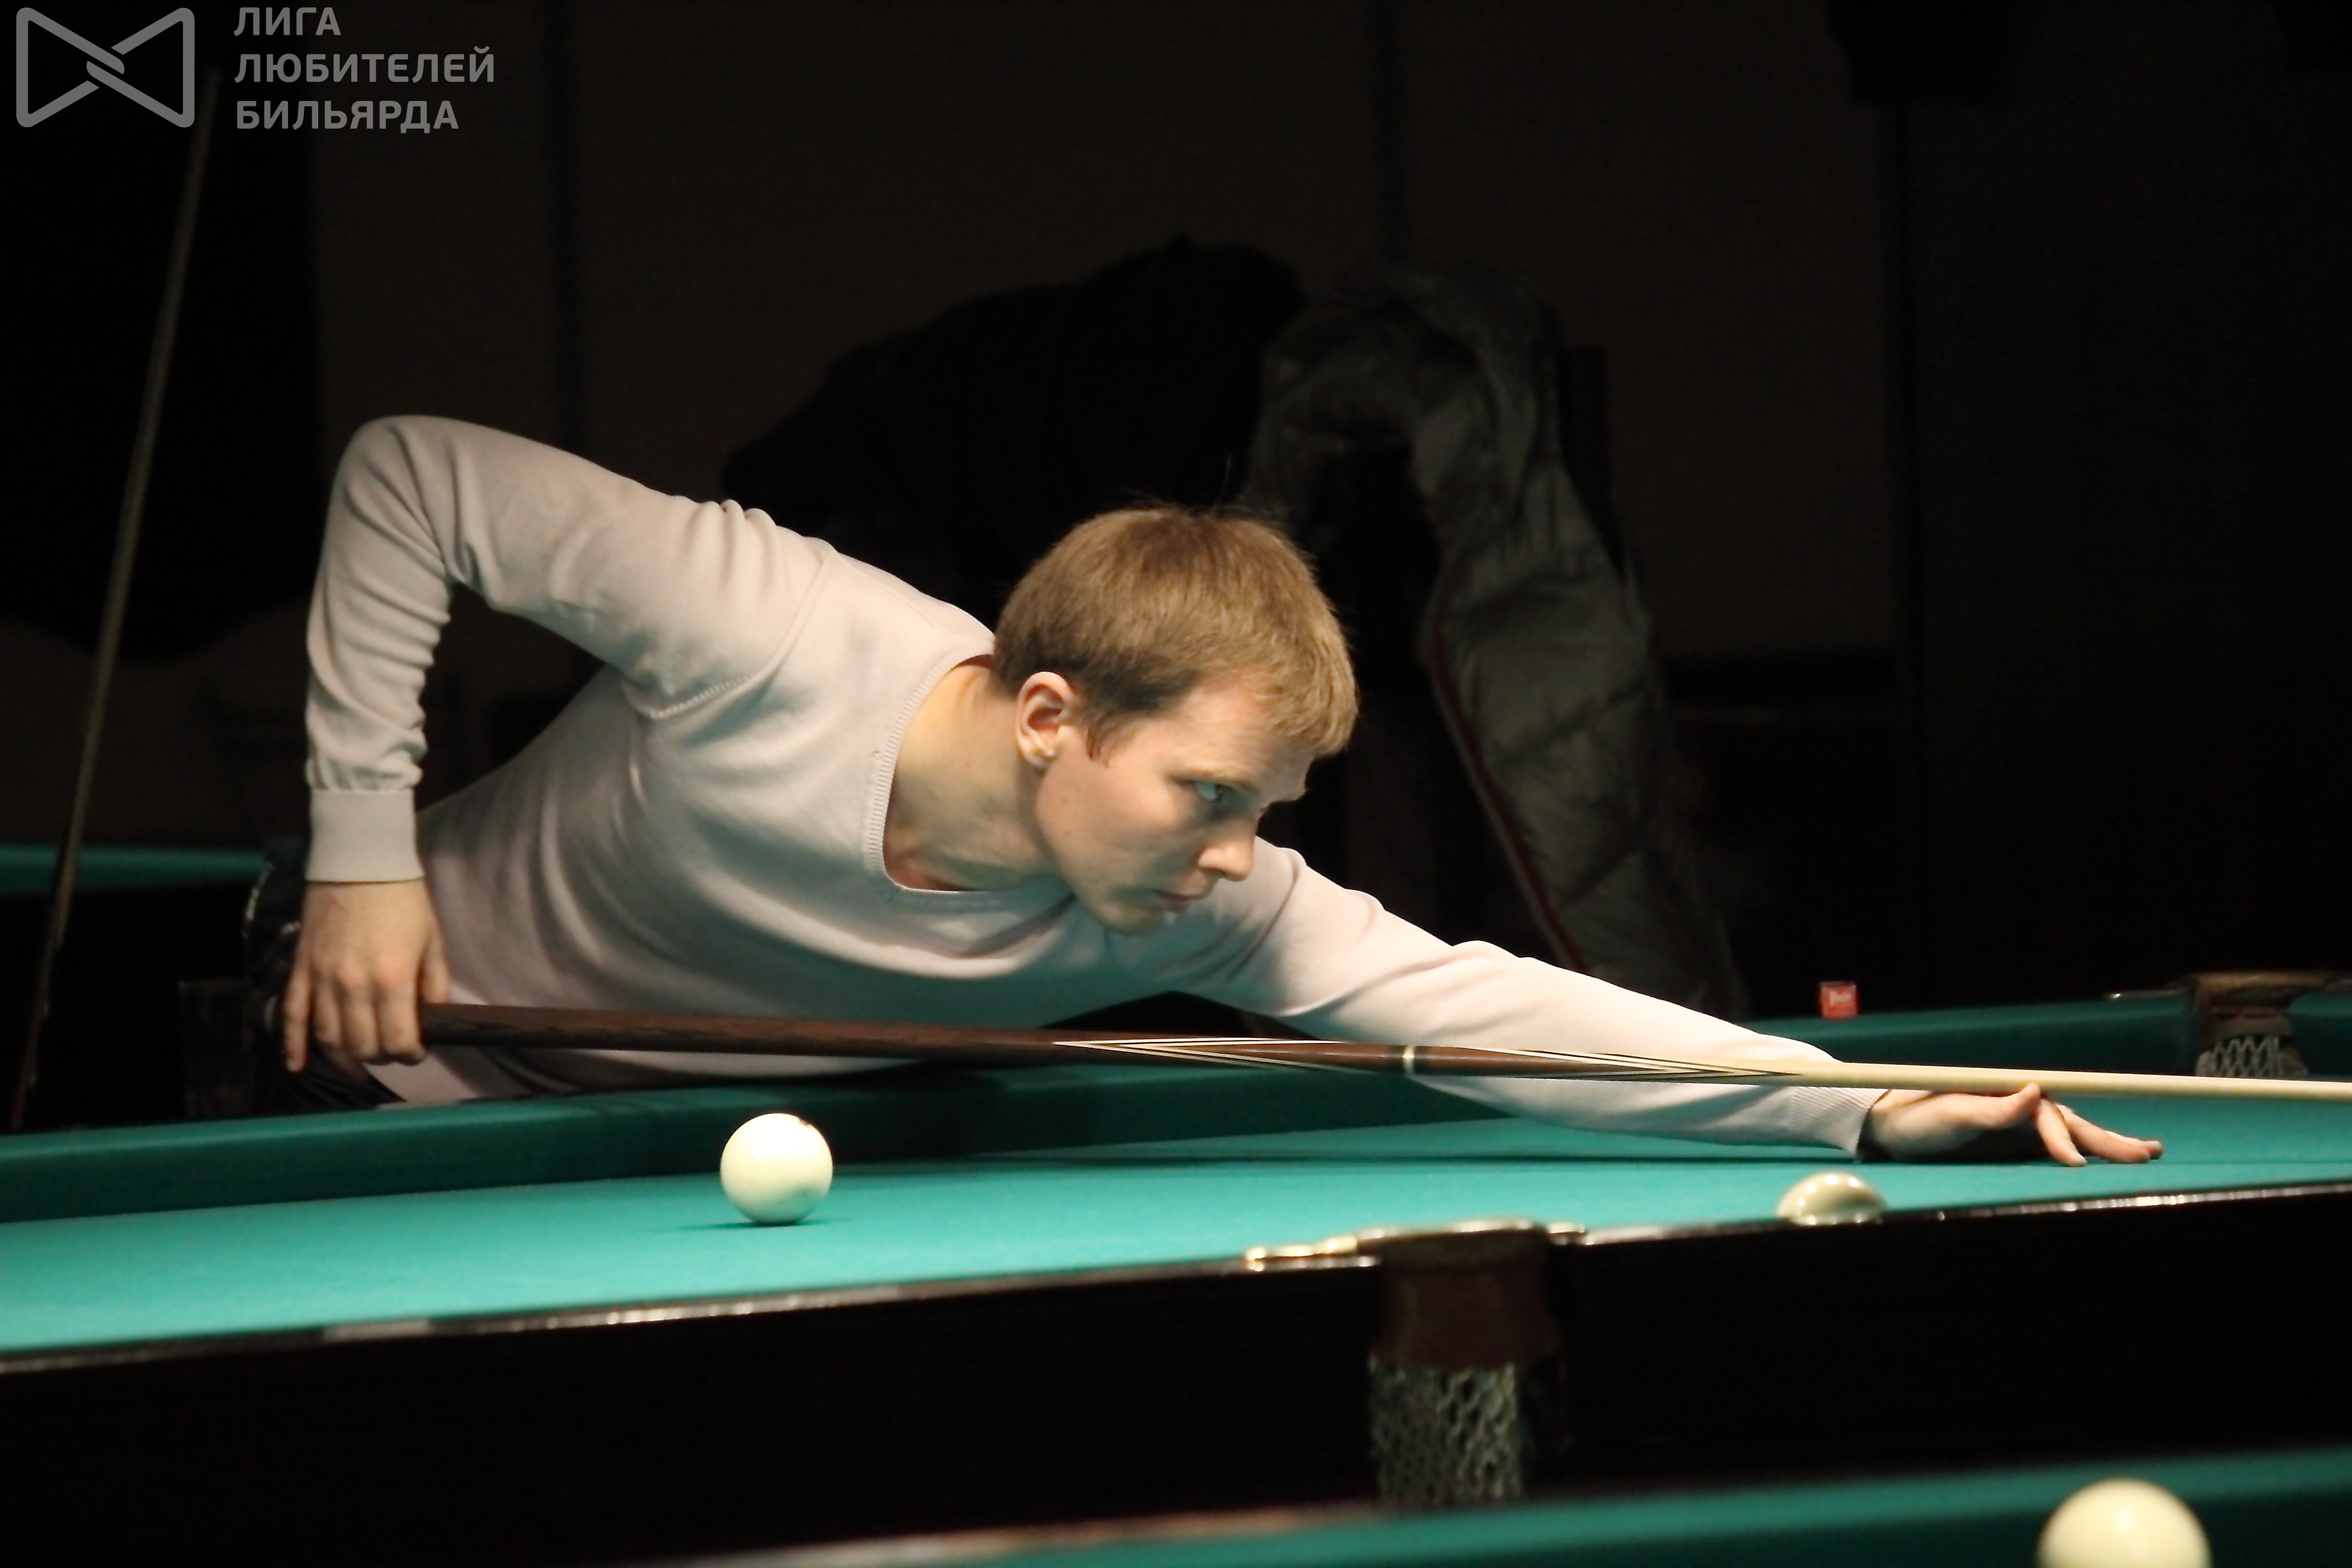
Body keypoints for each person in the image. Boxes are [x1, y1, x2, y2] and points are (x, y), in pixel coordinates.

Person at [280, 416, 2160, 1165]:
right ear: (1048, 715)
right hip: (376, 1062)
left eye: (1263, 808)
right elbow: (410, 477)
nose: (1234, 856)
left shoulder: (1202, 895)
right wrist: (366, 859)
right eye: (1203, 793)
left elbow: (1496, 1008)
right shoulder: (769, 627)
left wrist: (1858, 1105)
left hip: (665, 1159)